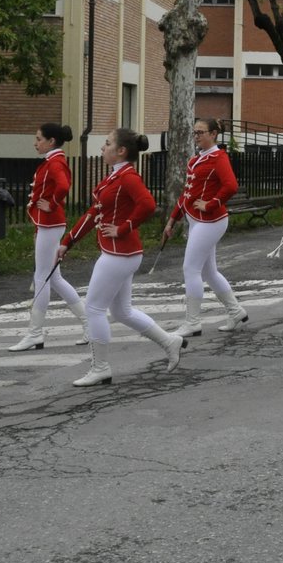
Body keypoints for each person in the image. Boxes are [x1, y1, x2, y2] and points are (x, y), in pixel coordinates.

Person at [57, 129, 185, 386]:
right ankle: (170, 341)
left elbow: (148, 204)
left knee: (93, 309)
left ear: (121, 151)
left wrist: (124, 227)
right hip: (121, 253)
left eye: (107, 144)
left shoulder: (127, 177)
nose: (103, 148)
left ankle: (100, 367)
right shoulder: (116, 177)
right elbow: (94, 213)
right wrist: (68, 241)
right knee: (122, 311)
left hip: (120, 253)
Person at [9, 123, 89, 353]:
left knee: (42, 277)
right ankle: (88, 325)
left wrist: (52, 203)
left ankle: (35, 334)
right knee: (54, 278)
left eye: (38, 139)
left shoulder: (55, 162)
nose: (35, 143)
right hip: (46, 224)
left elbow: (64, 186)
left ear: (51, 141)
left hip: (50, 223)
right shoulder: (53, 160)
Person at [164, 118, 247, 337]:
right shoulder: (196, 160)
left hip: (211, 220)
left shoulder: (219, 157)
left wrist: (211, 203)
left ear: (213, 134)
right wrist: (173, 219)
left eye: (201, 132)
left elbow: (231, 186)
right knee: (209, 271)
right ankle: (236, 311)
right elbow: (187, 193)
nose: (197, 136)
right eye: (195, 133)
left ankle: (193, 322)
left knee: (190, 269)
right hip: (196, 219)